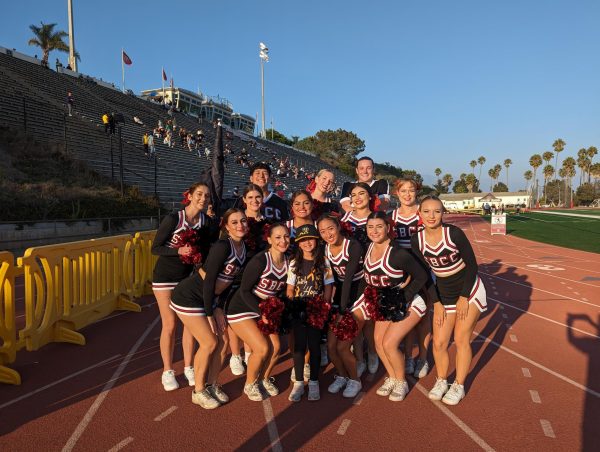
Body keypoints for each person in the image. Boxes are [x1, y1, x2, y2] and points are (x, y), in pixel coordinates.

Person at [411, 196, 488, 405]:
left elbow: (472, 266)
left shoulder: (454, 233)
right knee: (439, 342)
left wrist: (464, 298)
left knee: (462, 339)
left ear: (443, 213)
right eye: (426, 211)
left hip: (468, 290)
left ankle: (459, 385)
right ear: (419, 214)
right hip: (443, 293)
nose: (431, 216)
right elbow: (424, 275)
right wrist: (435, 302)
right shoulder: (416, 239)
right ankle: (442, 380)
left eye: (436, 211)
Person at [170, 208, 248, 409]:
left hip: (209, 299)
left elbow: (228, 282)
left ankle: (212, 384)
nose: (240, 225)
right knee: (209, 342)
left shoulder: (243, 247)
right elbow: (209, 280)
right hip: (189, 297)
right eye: (235, 222)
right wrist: (210, 312)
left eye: (243, 221)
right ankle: (198, 391)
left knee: (222, 341)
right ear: (226, 226)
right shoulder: (223, 246)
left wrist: (219, 307)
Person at [353, 212, 428, 402]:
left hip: (409, 303)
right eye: (370, 227)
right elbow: (366, 279)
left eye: (379, 226)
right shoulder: (368, 248)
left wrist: (404, 297)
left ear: (388, 228)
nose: (374, 231)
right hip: (385, 304)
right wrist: (356, 302)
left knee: (389, 344)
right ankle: (393, 377)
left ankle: (401, 381)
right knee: (378, 343)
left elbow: (422, 276)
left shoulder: (397, 253)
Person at [151, 183, 213, 392]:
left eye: (206, 195)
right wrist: (178, 251)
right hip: (165, 278)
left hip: (187, 279)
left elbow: (206, 251)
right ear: (190, 196)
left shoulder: (206, 222)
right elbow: (155, 248)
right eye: (199, 194)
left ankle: (188, 367)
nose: (203, 198)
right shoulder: (174, 219)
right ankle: (167, 370)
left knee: (190, 325)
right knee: (170, 325)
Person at [226, 223, 291, 402]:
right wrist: (262, 312)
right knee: (262, 348)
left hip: (264, 309)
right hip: (242, 308)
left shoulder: (289, 261)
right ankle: (250, 384)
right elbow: (245, 291)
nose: (283, 241)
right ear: (269, 240)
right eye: (277, 237)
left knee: (277, 347)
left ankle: (263, 378)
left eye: (286, 236)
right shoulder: (260, 261)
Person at [286, 224, 334, 402]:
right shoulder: (293, 262)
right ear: (298, 243)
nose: (307, 243)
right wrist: (291, 306)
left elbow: (328, 285)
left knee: (314, 347)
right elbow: (290, 288)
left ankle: (313, 382)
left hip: (316, 310)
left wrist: (325, 305)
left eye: (310, 239)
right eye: (303, 240)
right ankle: (298, 382)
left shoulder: (324, 261)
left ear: (317, 240)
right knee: (299, 347)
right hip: (299, 309)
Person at [317, 214, 364, 398]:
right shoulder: (325, 249)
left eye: (330, 228)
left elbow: (349, 279)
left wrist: (342, 311)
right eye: (322, 231)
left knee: (343, 346)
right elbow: (331, 280)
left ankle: (355, 380)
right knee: (331, 346)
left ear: (338, 226)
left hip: (359, 294)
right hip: (342, 297)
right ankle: (342, 376)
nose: (328, 234)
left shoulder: (353, 246)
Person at [389, 178, 431, 379]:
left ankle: (423, 357)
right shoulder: (392, 216)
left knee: (424, 318)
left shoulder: (424, 212)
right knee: (405, 315)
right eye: (403, 190)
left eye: (411, 190)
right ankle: (407, 357)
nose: (407, 194)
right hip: (402, 271)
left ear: (417, 192)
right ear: (397, 193)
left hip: (425, 268)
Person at [226, 184, 269, 376]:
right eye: (250, 197)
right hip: (237, 272)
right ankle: (235, 354)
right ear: (244, 199)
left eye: (257, 197)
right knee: (235, 315)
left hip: (258, 274)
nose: (254, 201)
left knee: (252, 313)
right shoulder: (238, 220)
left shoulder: (267, 222)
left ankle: (249, 352)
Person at [340, 182, 376, 375]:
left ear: (370, 196)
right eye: (354, 195)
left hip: (372, 274)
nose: (358, 197)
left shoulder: (378, 218)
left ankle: (372, 352)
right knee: (354, 318)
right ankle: (360, 357)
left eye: (362, 193)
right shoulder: (344, 219)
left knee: (369, 321)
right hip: (351, 276)